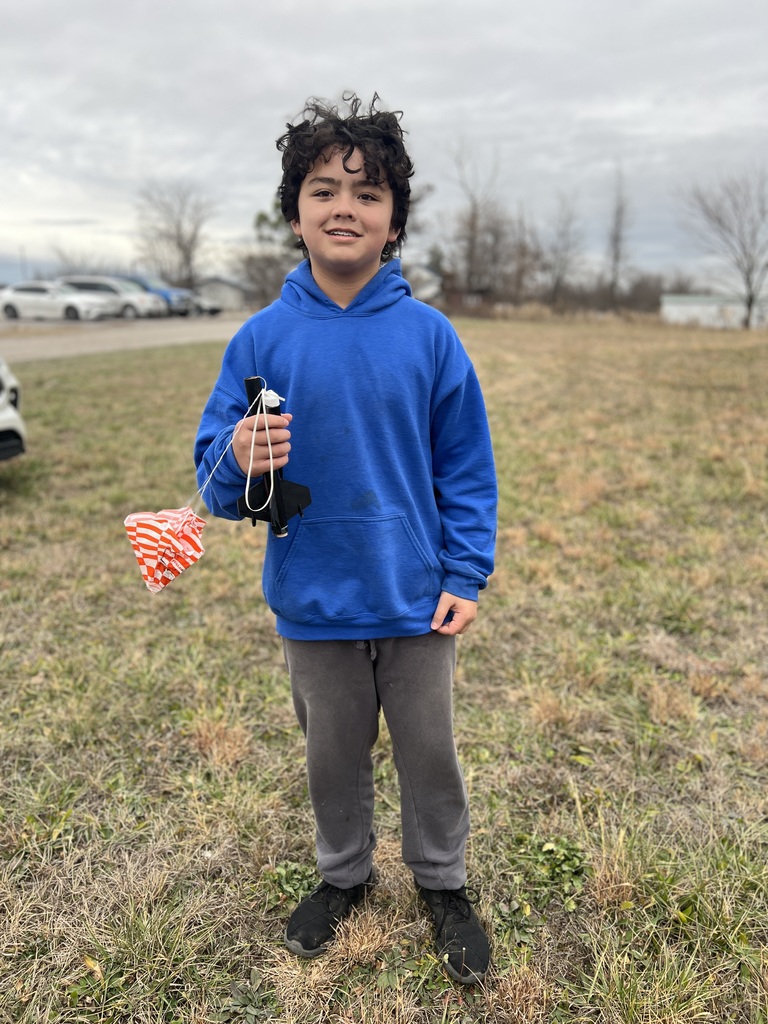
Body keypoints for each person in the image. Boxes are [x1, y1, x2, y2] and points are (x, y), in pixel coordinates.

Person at [194, 93, 497, 985]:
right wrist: (238, 453)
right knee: (332, 754)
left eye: (367, 194)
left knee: (427, 751)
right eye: (323, 189)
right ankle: (345, 875)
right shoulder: (263, 337)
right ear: (295, 212)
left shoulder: (430, 337)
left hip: (415, 599)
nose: (343, 208)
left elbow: (466, 472)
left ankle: (442, 882)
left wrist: (466, 571)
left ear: (395, 219)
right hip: (313, 595)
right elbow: (216, 482)